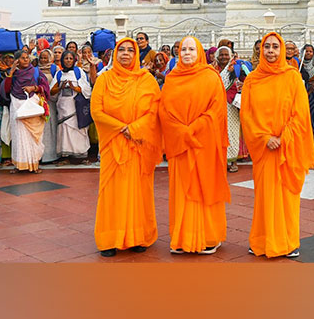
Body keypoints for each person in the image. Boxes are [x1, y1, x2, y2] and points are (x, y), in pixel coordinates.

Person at [240, 32, 314, 258]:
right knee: (264, 197)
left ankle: (288, 241)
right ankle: (262, 241)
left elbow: (300, 112)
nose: (271, 51)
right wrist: (264, 137)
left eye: (275, 47)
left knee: (286, 197)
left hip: (286, 147)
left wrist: (284, 137)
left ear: (281, 50)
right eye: (267, 47)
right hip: (264, 148)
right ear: (261, 50)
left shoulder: (292, 77)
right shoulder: (252, 80)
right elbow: (247, 115)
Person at [91, 37, 162, 257]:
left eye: (130, 50)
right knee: (112, 192)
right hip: (114, 143)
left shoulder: (146, 80)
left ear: (136, 54)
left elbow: (154, 111)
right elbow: (97, 111)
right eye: (121, 50)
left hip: (138, 144)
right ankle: (109, 239)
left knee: (138, 191)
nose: (125, 54)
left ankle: (137, 236)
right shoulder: (105, 80)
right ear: (115, 54)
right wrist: (122, 128)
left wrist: (136, 129)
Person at [159, 36, 230, 255]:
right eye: (183, 49)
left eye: (191, 49)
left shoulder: (210, 77)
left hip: (203, 143)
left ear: (199, 52)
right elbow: (164, 111)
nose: (187, 53)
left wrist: (195, 128)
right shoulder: (171, 79)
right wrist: (181, 131)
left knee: (203, 186)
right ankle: (182, 237)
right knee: (182, 189)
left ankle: (209, 236)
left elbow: (217, 109)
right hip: (180, 145)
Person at [3, 50, 50, 173]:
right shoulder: (13, 74)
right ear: (17, 60)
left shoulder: (35, 72)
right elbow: (6, 90)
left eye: (27, 58)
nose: (26, 60)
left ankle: (34, 165)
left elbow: (45, 88)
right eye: (22, 58)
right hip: (17, 105)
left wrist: (34, 88)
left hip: (32, 106)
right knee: (18, 135)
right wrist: (11, 72)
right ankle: (20, 165)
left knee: (34, 137)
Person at [50, 51, 92, 165]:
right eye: (66, 58)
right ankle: (65, 157)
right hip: (63, 107)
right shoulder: (59, 74)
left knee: (79, 131)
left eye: (70, 58)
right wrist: (60, 87)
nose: (68, 60)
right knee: (64, 131)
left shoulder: (79, 72)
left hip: (76, 108)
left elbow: (87, 89)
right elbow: (51, 91)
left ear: (74, 60)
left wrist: (74, 87)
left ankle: (81, 156)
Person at [214, 46, 242, 173]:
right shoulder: (211, 69)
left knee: (232, 133)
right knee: (217, 133)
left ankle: (233, 161)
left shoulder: (236, 68)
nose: (224, 57)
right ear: (217, 57)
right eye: (221, 55)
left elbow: (243, 81)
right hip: (215, 105)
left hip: (230, 105)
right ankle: (221, 160)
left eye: (226, 55)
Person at [38, 49, 59, 164]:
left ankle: (50, 155)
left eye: (46, 58)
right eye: (42, 57)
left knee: (51, 128)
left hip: (51, 102)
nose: (43, 60)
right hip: (40, 103)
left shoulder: (54, 69)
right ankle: (40, 155)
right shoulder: (36, 70)